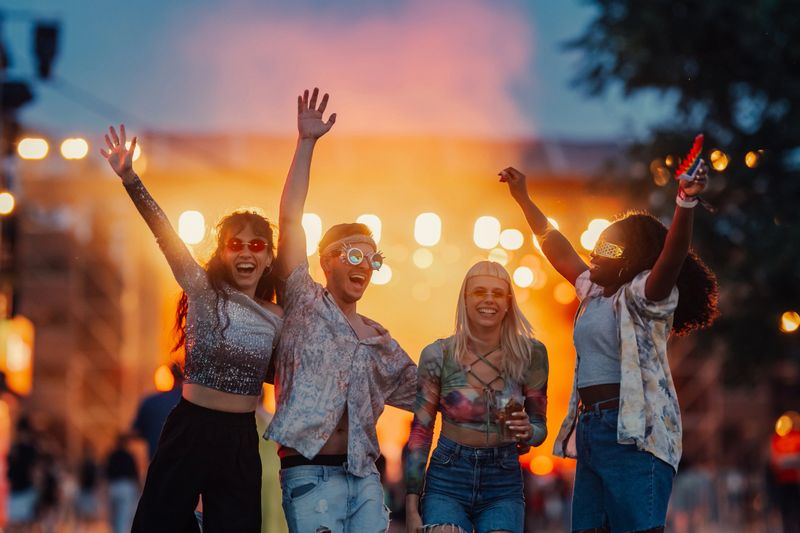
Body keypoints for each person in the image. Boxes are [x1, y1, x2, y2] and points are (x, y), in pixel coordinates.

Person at [500, 162, 719, 533]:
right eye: (598, 243)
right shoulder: (594, 292)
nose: (596, 252)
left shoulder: (646, 297)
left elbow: (673, 254)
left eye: (609, 247)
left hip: (633, 433)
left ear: (632, 259)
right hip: (591, 429)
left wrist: (684, 201)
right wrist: (523, 198)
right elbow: (556, 246)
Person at [101, 124, 283, 532]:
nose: (245, 253)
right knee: (155, 524)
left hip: (240, 438)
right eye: (235, 244)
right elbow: (165, 235)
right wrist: (131, 179)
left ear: (269, 258)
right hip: (189, 428)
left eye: (256, 246)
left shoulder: (278, 318)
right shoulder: (203, 290)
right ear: (222, 253)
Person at [265, 88, 418, 532]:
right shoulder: (303, 301)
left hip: (365, 475)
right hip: (309, 474)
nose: (364, 267)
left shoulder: (380, 339)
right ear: (327, 260)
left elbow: (434, 391)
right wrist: (306, 143)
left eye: (371, 259)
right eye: (353, 256)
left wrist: (501, 398)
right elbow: (290, 217)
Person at [403, 260, 549, 533]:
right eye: (480, 292)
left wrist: (529, 430)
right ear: (465, 299)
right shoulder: (439, 354)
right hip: (448, 476)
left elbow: (540, 429)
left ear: (508, 302)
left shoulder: (531, 354)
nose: (489, 300)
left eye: (497, 293)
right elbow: (421, 432)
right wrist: (411, 508)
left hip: (503, 479)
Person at [131, 361, 183, 460]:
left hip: (157, 461)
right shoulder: (190, 403)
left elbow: (136, 431)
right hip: (183, 461)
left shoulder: (150, 401)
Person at [105, 434, 140, 533]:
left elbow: (106, 473)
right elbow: (135, 474)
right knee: (123, 518)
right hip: (126, 487)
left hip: (113, 487)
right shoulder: (130, 456)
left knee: (113, 517)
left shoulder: (111, 456)